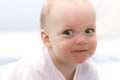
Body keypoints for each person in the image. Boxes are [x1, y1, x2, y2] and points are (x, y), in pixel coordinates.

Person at [0, 0, 100, 80]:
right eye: (68, 32)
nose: (82, 40)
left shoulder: (89, 69)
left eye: (89, 30)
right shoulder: (36, 70)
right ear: (47, 39)